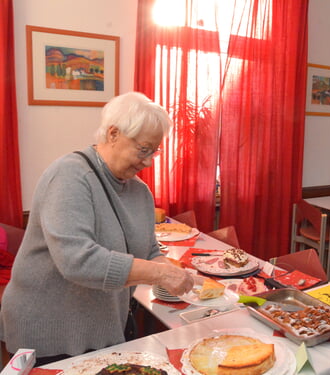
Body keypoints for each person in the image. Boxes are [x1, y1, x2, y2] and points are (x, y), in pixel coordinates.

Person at [0, 92, 195, 365]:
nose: (149, 162)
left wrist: (166, 268)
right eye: (143, 149)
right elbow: (77, 261)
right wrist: (158, 272)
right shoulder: (69, 175)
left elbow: (149, 250)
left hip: (102, 325)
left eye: (155, 151)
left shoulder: (140, 192)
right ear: (113, 134)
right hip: (49, 330)